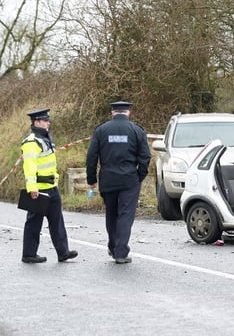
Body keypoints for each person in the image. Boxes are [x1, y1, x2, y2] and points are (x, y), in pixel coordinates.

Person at [86, 101, 151, 264]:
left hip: (108, 178)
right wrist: (139, 176)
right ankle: (120, 251)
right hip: (129, 179)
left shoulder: (101, 130)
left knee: (111, 213)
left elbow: (91, 157)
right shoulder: (137, 130)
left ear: (112, 112)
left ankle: (113, 245)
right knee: (125, 215)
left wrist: (91, 179)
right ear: (128, 113)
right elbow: (145, 157)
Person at [20, 108, 78, 263]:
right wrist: (32, 188)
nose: (48, 123)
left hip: (51, 187)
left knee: (57, 221)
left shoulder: (45, 138)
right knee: (34, 223)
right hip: (39, 189)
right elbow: (29, 167)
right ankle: (29, 254)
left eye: (48, 120)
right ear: (36, 122)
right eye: (45, 120)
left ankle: (63, 252)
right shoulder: (31, 142)